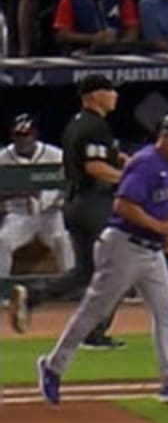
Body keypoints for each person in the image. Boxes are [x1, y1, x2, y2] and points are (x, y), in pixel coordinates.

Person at [36, 113, 168, 405]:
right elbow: (124, 205)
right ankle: (53, 365)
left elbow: (157, 205)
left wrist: (163, 234)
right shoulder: (146, 162)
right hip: (124, 247)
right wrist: (161, 227)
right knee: (94, 311)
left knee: (166, 311)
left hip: (150, 251)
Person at [10, 76, 129, 347]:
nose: (114, 96)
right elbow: (95, 168)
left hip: (77, 204)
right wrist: (127, 178)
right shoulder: (93, 126)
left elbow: (98, 159)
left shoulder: (79, 123)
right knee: (117, 267)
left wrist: (122, 161)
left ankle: (34, 296)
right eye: (109, 91)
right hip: (94, 203)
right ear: (95, 95)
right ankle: (95, 330)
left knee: (86, 272)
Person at [0, 118, 75, 282]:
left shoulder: (54, 154)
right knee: (2, 241)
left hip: (50, 213)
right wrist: (16, 193)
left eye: (26, 135)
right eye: (18, 135)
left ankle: (71, 288)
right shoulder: (3, 157)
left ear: (34, 135)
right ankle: (1, 291)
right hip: (19, 214)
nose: (22, 139)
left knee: (62, 240)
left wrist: (59, 198)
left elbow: (71, 183)